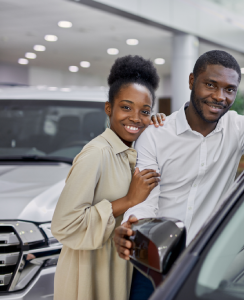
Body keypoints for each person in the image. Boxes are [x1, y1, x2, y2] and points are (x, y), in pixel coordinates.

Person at [114, 50, 244, 298]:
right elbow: (146, 200)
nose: (219, 96)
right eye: (210, 85)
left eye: (229, 89)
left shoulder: (238, 128)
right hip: (155, 264)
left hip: (208, 266)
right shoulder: (155, 134)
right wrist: (134, 226)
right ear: (192, 81)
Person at [51, 55, 166, 300]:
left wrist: (157, 127)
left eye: (144, 111)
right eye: (126, 107)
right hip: (89, 271)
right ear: (108, 108)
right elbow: (63, 225)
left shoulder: (132, 151)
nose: (135, 117)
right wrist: (128, 200)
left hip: (119, 267)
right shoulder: (97, 154)